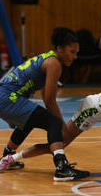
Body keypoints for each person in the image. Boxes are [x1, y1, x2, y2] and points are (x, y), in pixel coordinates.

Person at [0, 27, 89, 181]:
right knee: (52, 122)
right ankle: (62, 167)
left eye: (77, 53)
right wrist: (61, 125)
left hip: (4, 96)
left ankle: (7, 155)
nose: (75, 57)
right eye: (72, 52)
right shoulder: (54, 63)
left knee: (28, 120)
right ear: (60, 49)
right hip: (7, 97)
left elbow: (43, 94)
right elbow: (49, 99)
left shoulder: (48, 58)